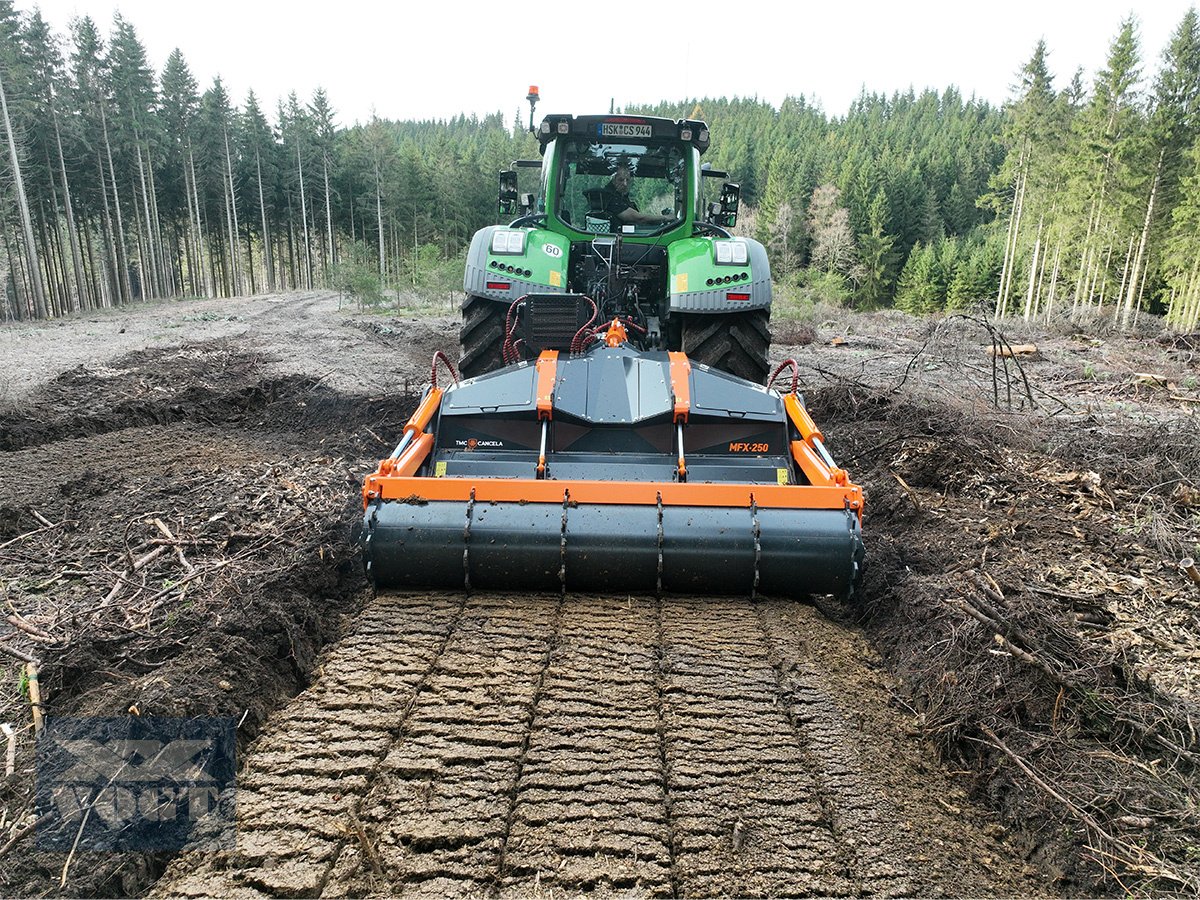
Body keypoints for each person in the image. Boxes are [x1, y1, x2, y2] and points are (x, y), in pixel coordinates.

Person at [598, 162, 675, 226]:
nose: (625, 184)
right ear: (613, 180)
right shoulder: (610, 197)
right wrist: (665, 218)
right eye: (621, 180)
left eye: (627, 180)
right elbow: (638, 218)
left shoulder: (620, 196)